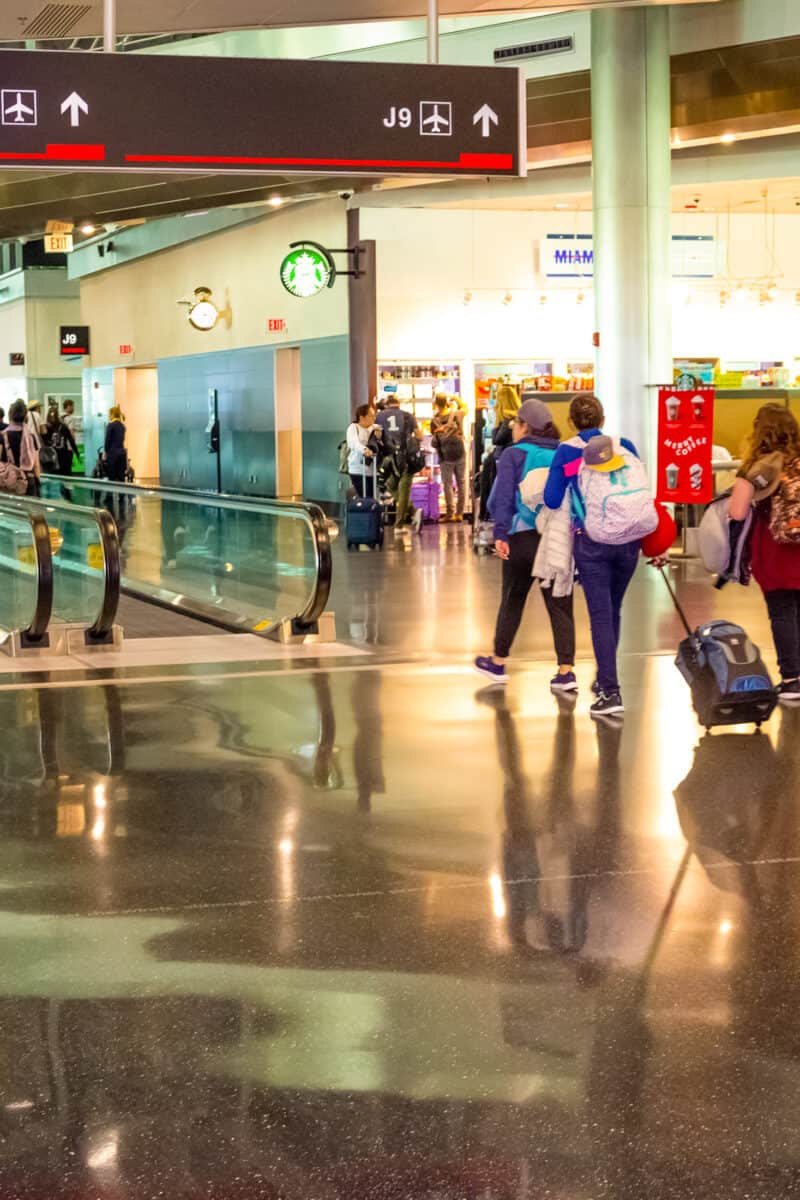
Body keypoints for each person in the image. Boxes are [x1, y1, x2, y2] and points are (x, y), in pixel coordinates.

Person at [544, 394, 642, 720]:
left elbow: (552, 497)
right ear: (602, 418)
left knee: (600, 615)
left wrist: (572, 469)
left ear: (572, 421)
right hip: (630, 540)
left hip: (593, 542)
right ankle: (604, 680)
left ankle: (611, 691)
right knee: (613, 611)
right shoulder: (624, 443)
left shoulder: (568, 450)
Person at [474, 398, 576, 691]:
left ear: (524, 426)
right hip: (556, 537)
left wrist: (500, 533)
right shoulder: (563, 451)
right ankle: (565, 671)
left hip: (522, 537)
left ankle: (498, 661)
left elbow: (502, 498)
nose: (512, 428)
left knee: (513, 599)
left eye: (515, 423)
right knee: (560, 604)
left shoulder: (513, 454)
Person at [729, 404, 800, 701]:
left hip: (774, 549)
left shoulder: (758, 468)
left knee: (782, 612)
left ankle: (793, 678)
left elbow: (736, 512)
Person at [376, 395, 422, 532]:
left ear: (386, 404)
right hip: (406, 457)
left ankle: (410, 515)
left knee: (389, 485)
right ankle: (402, 523)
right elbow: (419, 436)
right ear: (398, 403)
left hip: (388, 458)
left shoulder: (379, 416)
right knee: (404, 490)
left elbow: (378, 436)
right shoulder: (408, 416)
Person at [479, 382, 520, 521]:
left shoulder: (507, 420)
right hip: (511, 460)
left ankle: (490, 517)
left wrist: (498, 426)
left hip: (501, 460)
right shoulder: (519, 419)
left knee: (495, 493)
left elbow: (496, 439)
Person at [431, 394, 467, 523]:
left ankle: (450, 513)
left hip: (445, 455)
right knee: (461, 482)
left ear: (436, 404)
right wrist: (456, 399)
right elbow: (465, 407)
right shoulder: (456, 414)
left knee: (447, 484)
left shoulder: (434, 420)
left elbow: (434, 441)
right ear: (447, 403)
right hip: (459, 452)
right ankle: (460, 513)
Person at [0, 399, 41, 495]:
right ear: (25, 416)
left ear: (10, 415)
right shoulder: (31, 436)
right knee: (30, 509)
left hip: (8, 481)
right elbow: (36, 465)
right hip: (29, 481)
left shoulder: (2, 436)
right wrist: (38, 483)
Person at [346, 403, 380, 498]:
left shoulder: (375, 428)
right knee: (364, 496)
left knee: (373, 497)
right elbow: (354, 443)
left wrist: (380, 436)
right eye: (371, 416)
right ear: (362, 417)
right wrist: (365, 450)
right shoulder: (353, 428)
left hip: (373, 470)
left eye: (374, 415)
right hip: (357, 469)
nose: (374, 418)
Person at [42, 406, 78, 476]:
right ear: (57, 415)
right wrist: (76, 452)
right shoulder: (63, 426)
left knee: (53, 476)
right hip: (64, 454)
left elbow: (44, 441)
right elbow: (70, 439)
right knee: (66, 475)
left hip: (51, 456)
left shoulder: (46, 427)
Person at [104, 405, 128, 482]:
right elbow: (122, 439)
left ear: (112, 414)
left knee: (112, 477)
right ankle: (122, 493)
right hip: (122, 453)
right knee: (121, 478)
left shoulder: (110, 425)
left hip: (112, 454)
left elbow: (107, 441)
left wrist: (106, 452)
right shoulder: (123, 426)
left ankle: (110, 494)